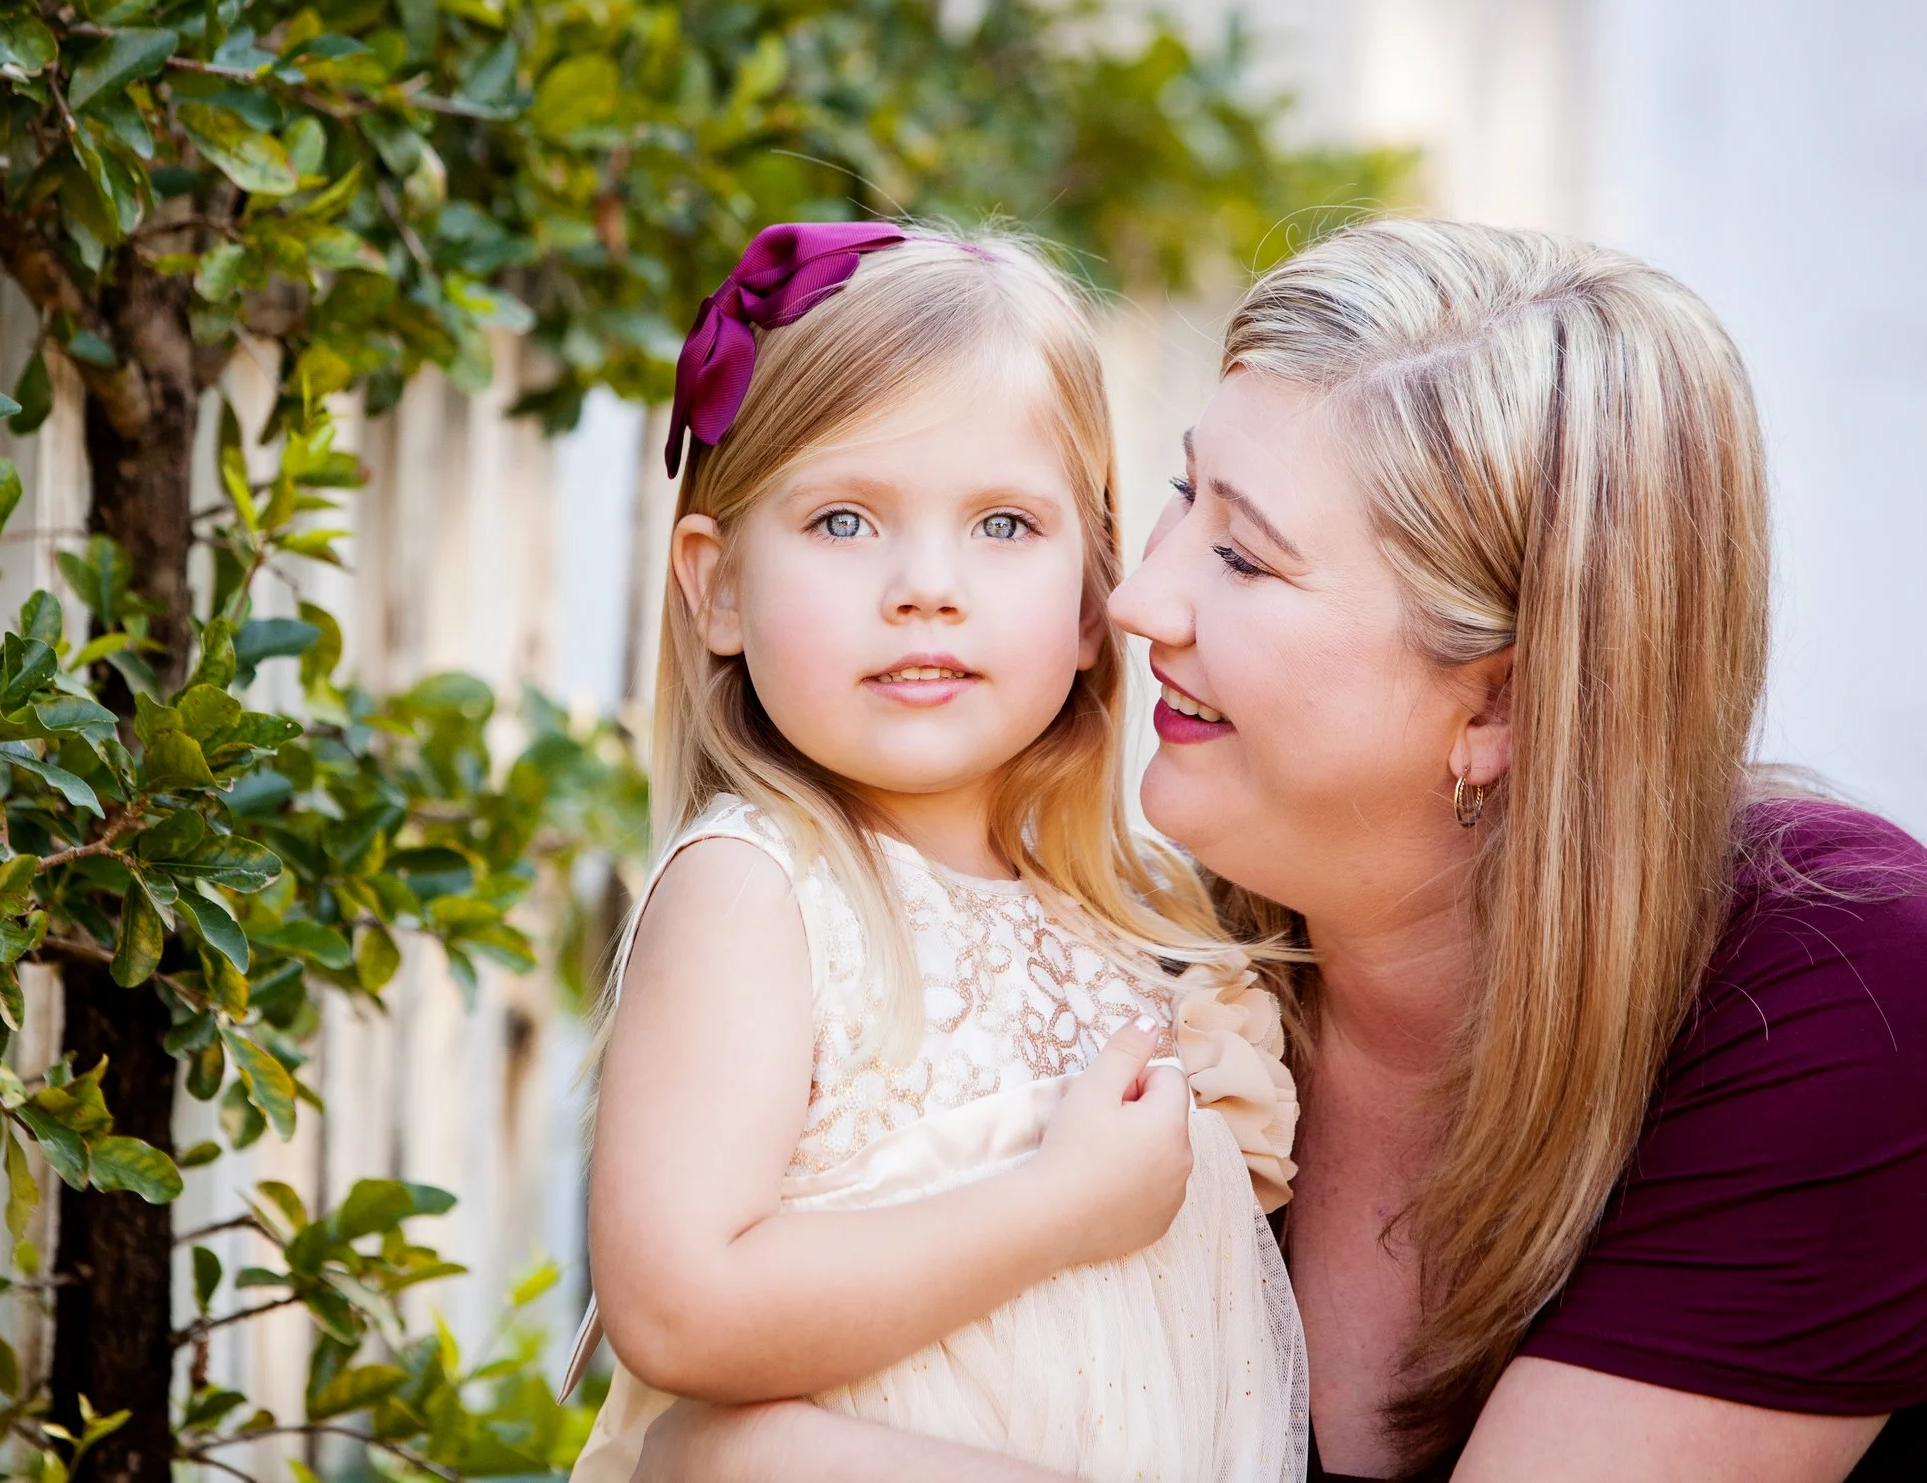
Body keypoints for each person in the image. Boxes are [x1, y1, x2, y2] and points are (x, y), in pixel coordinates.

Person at [622, 220, 1927, 1483]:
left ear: (1503, 707)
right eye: (1184, 496)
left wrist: (776, 1459)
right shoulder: (1188, 956)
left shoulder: (1833, 976)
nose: (1134, 599)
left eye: (1243, 554)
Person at [568, 223, 1308, 1482]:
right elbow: (679, 1305)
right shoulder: (759, 892)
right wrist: (1058, 1207)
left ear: (1093, 600)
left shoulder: (1152, 921)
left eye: (1004, 526)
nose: (926, 586)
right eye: (845, 519)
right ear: (718, 589)